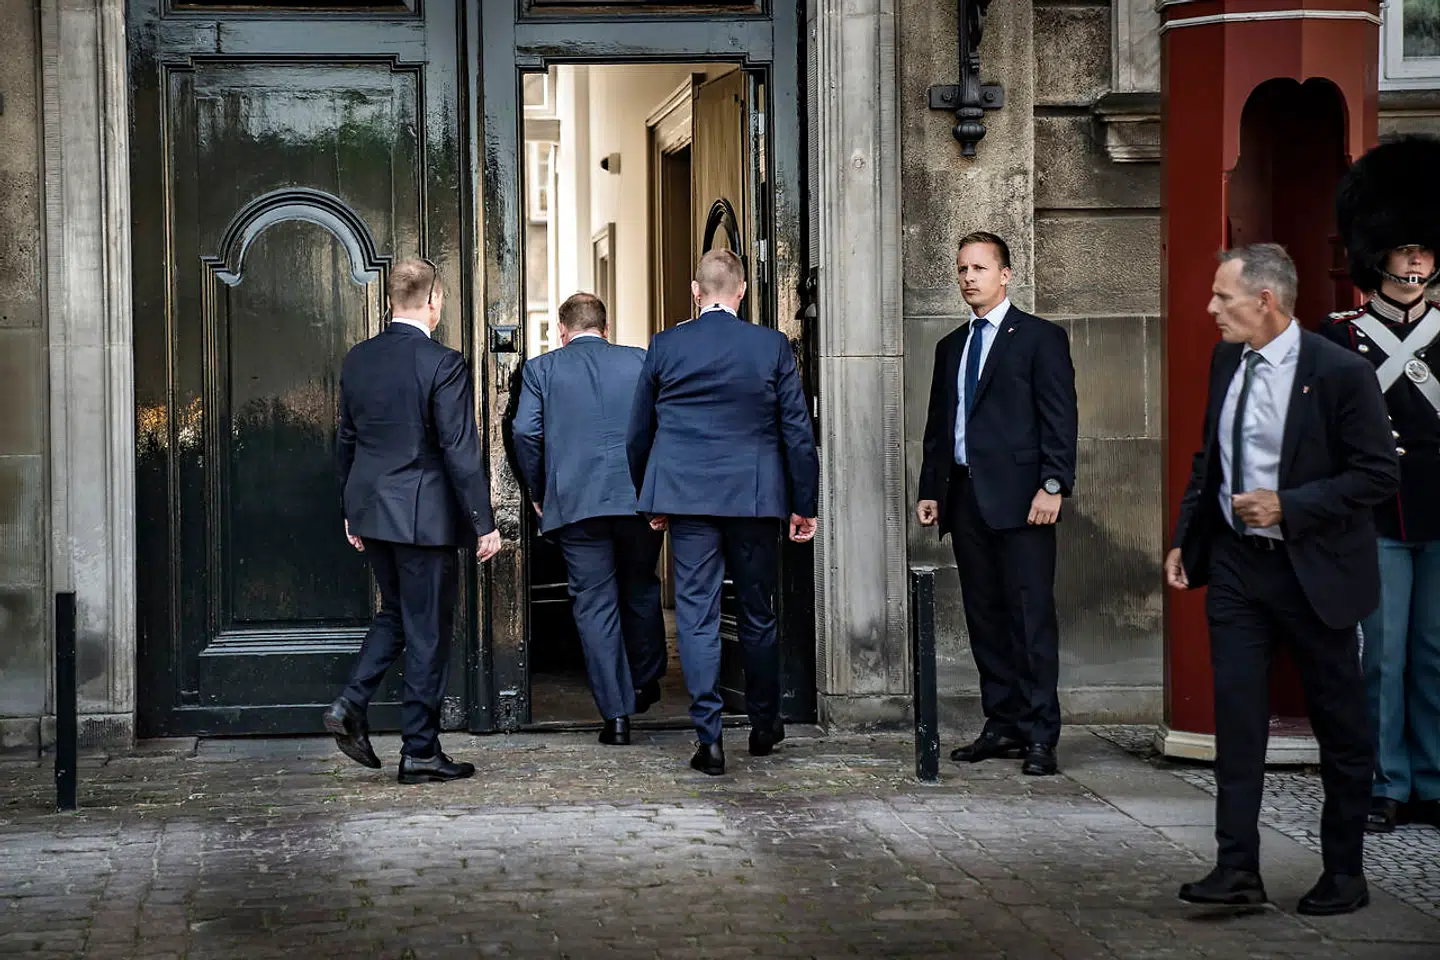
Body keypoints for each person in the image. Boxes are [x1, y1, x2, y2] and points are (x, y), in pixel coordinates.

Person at [1166, 243, 1398, 915]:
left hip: (1315, 572)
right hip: (1237, 568)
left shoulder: (1341, 372)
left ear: (1265, 301)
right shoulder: (1226, 361)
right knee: (1237, 720)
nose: (1211, 308)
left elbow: (1378, 473)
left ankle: (1344, 873)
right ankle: (1237, 869)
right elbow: (1209, 459)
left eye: (1223, 297)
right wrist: (1185, 538)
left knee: (1340, 725)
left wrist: (1289, 506)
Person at [626, 249, 819, 776]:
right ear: (741, 292)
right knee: (757, 612)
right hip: (754, 499)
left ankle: (709, 739)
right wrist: (804, 504)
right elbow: (797, 432)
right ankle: (764, 723)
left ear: (695, 292)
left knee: (696, 616)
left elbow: (638, 432)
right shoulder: (771, 345)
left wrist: (651, 497)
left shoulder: (665, 345)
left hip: (687, 499)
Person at [325, 257, 502, 785]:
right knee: (426, 632)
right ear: (434, 300)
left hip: (373, 511)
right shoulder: (442, 362)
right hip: (423, 519)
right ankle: (420, 750)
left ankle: (350, 704)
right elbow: (459, 448)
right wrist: (483, 521)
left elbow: (347, 441)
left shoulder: (358, 359)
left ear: (389, 301)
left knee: (397, 614)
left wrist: (350, 511)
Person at [915, 231, 1078, 776]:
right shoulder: (950, 347)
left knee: (1031, 619)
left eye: (979, 268)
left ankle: (1041, 734)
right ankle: (1003, 723)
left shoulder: (1039, 338)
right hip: (965, 500)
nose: (968, 277)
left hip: (1025, 502)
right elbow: (939, 426)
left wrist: (1053, 485)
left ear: (1005, 275)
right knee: (984, 617)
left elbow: (1060, 418)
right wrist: (931, 489)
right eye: (962, 269)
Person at [1320, 134, 1440, 833]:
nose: (1415, 260)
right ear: (1377, 254)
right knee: (1384, 659)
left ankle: (1432, 778)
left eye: (1424, 248)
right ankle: (1387, 781)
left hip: (1439, 511)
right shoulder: (1342, 338)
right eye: (1403, 249)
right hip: (1379, 515)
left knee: (1434, 654)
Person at [511, 292, 668, 745]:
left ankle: (616, 717)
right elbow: (663, 424)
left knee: (594, 604)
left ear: (562, 331)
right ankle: (645, 678)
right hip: (638, 499)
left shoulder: (541, 369)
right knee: (641, 587)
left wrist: (540, 491)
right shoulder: (639, 360)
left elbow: (525, 431)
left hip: (576, 503)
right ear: (606, 326)